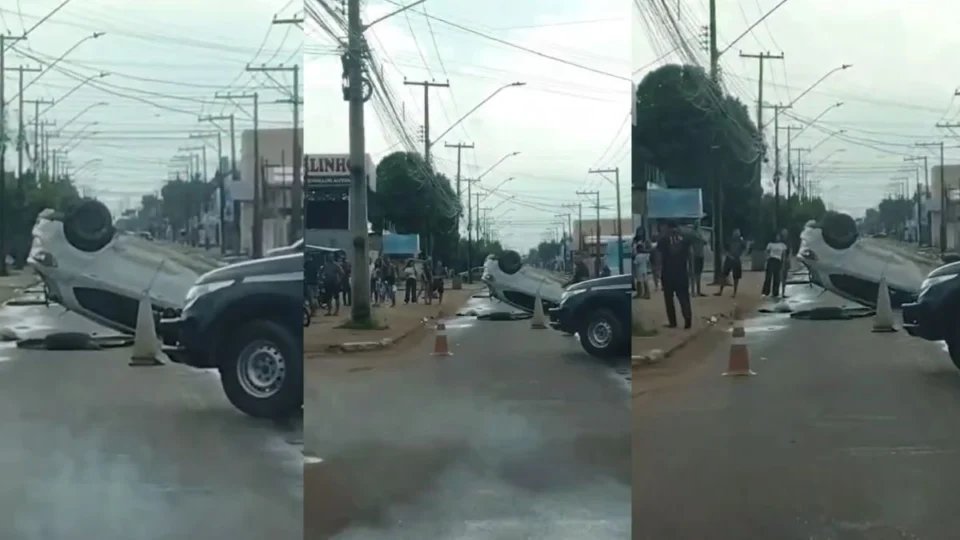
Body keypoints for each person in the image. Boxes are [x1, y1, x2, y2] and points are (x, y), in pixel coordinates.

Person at [655, 220, 693, 329]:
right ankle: (688, 319)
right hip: (682, 272)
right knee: (684, 297)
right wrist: (690, 269)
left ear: (668, 228)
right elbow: (690, 254)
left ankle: (673, 322)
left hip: (668, 274)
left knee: (669, 299)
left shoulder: (663, 240)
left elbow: (658, 257)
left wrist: (657, 271)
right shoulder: (685, 240)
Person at [715, 228, 745, 298]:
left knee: (736, 277)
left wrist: (741, 256)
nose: (737, 234)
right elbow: (724, 249)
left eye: (738, 232)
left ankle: (734, 292)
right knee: (724, 275)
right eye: (736, 232)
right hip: (729, 258)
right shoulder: (729, 240)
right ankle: (720, 291)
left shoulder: (741, 241)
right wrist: (728, 255)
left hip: (737, 259)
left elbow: (745, 249)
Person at [761, 231, 788, 298]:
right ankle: (765, 292)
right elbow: (766, 252)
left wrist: (783, 262)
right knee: (768, 277)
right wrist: (766, 259)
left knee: (777, 277)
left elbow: (783, 255)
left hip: (778, 261)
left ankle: (775, 293)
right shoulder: (770, 244)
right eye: (776, 236)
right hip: (771, 260)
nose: (777, 238)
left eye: (778, 236)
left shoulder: (782, 245)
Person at [688, 224, 707, 297]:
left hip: (699, 255)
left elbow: (705, 242)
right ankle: (693, 291)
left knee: (697, 274)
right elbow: (704, 241)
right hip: (695, 256)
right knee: (693, 274)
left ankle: (697, 291)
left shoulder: (697, 234)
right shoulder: (694, 234)